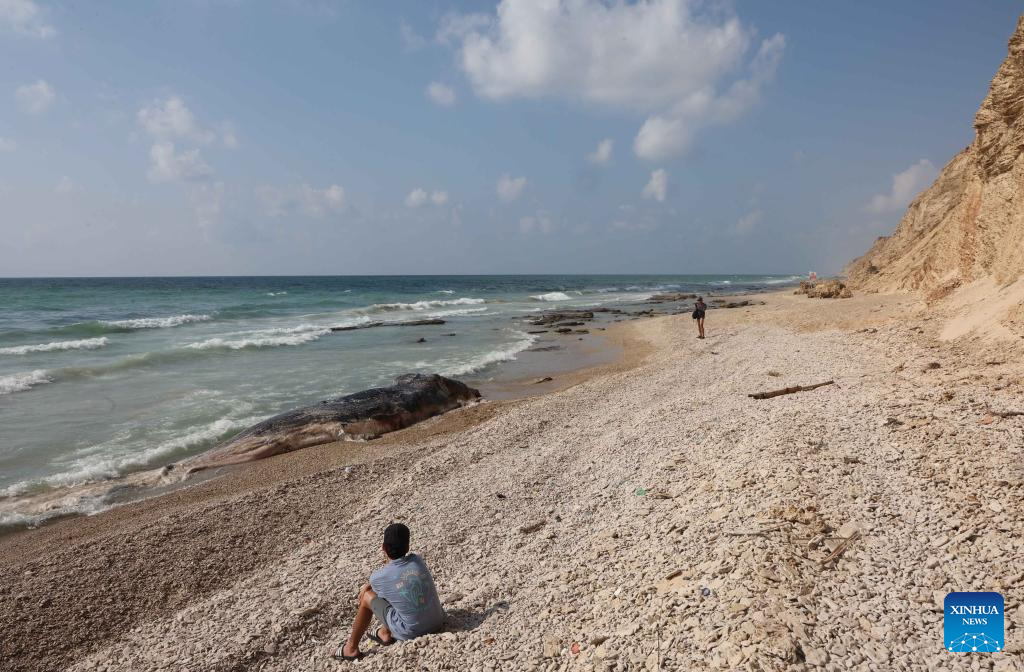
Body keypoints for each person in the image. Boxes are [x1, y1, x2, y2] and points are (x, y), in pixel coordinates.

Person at [335, 523, 445, 661]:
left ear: (383, 548)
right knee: (398, 593)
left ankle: (350, 648)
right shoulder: (417, 560)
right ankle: (383, 632)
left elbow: (384, 585)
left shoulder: (379, 577)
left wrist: (367, 587)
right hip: (437, 621)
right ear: (408, 547)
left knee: (367, 597)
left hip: (412, 632)